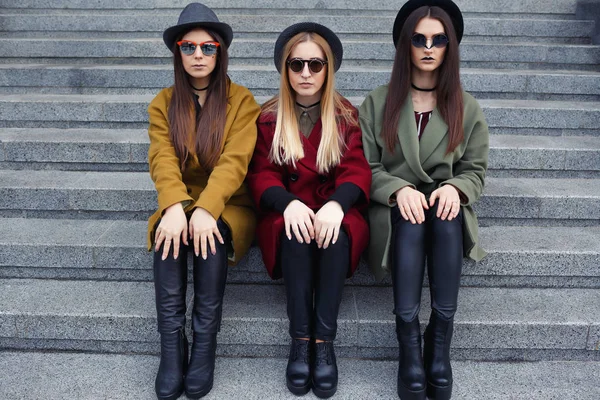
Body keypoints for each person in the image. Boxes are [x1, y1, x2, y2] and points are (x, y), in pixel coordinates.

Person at [359, 1, 489, 399]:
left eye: (438, 39)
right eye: (419, 39)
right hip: (395, 210)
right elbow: (365, 165)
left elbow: (475, 169)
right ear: (406, 45)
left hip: (445, 207)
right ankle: (410, 350)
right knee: (413, 220)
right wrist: (397, 189)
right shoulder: (379, 101)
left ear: (450, 47)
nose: (428, 47)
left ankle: (439, 346)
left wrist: (456, 187)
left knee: (447, 220)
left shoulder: (466, 106)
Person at [246, 22, 371, 399]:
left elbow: (357, 168)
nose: (305, 73)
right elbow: (261, 172)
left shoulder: (346, 115)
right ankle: (300, 338)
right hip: (288, 211)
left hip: (335, 209)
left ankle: (323, 342)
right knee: (295, 233)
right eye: (297, 65)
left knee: (336, 235)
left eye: (315, 65)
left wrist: (336, 204)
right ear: (285, 69)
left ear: (327, 69)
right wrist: (288, 204)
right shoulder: (269, 117)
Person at [146, 3, 260, 399]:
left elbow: (235, 162)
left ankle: (204, 347)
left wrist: (206, 210)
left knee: (210, 237)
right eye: (189, 47)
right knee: (167, 236)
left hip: (229, 204)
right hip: (180, 200)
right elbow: (161, 157)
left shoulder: (242, 101)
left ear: (220, 52)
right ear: (178, 52)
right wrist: (175, 206)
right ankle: (172, 348)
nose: (198, 55)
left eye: (207, 47)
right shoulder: (163, 102)